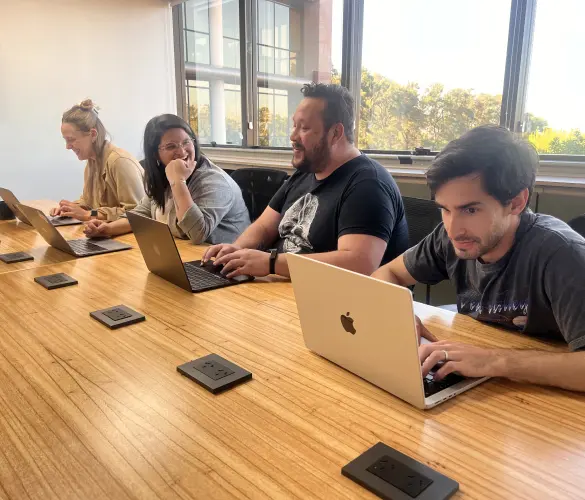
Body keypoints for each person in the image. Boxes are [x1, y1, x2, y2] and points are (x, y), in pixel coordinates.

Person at [372, 125, 585, 392]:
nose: (453, 228)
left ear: (517, 202)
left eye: (470, 209)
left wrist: (495, 361)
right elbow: (387, 273)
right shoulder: (450, 237)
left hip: (546, 398)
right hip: (481, 384)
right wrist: (397, 315)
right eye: (445, 209)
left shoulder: (562, 254)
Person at [202, 83, 409, 278]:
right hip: (283, 291)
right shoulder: (305, 172)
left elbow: (359, 263)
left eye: (304, 128)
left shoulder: (368, 185)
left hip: (342, 307)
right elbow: (264, 227)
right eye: (294, 126)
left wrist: (271, 263)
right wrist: (238, 251)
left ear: (335, 133)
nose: (293, 136)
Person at [84, 114, 250, 244]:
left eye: (186, 142)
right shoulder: (164, 175)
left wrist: (178, 182)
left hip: (227, 263)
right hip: (190, 257)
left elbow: (198, 233)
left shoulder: (214, 181)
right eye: (171, 146)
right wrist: (107, 228)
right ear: (156, 154)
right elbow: (143, 214)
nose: (182, 151)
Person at [51, 99, 145, 221]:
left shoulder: (119, 161)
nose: (67, 146)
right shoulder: (91, 161)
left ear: (93, 134)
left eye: (71, 139)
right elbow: (89, 202)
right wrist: (71, 209)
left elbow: (136, 213)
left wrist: (89, 215)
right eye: (66, 140)